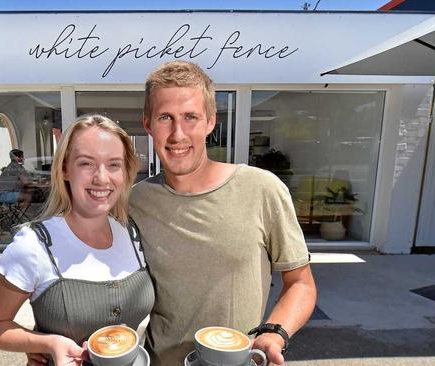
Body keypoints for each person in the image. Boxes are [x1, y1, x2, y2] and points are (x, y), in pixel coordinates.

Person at [129, 61, 317, 366]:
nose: (178, 133)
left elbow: (301, 283)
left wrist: (274, 333)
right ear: (148, 124)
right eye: (166, 117)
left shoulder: (262, 189)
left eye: (191, 117)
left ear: (211, 122)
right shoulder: (136, 200)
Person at [0, 115, 155, 366]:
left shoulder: (132, 233)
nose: (102, 178)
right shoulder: (33, 245)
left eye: (114, 164)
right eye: (86, 164)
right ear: (64, 169)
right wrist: (47, 342)